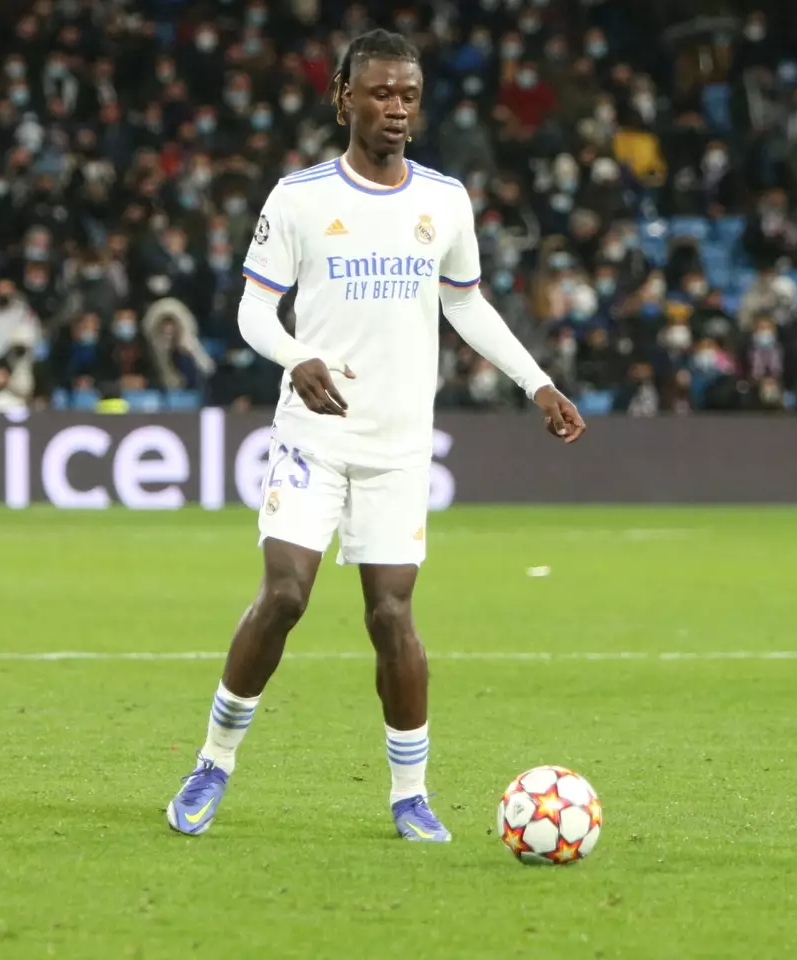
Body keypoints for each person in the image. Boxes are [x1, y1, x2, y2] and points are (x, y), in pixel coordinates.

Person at [166, 30, 585, 844]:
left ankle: (410, 795)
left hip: (398, 448)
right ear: (343, 98)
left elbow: (464, 303)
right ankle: (213, 762)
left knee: (392, 616)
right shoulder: (298, 197)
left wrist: (535, 379)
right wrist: (297, 358)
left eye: (408, 96)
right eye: (380, 92)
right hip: (312, 438)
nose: (395, 108)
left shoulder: (445, 200)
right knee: (284, 595)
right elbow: (254, 311)